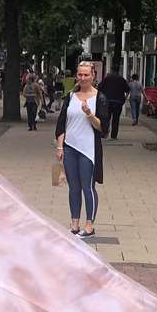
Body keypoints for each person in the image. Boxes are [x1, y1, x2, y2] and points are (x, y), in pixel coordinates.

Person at [54, 60, 110, 238]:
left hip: (89, 149)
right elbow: (62, 124)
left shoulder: (99, 97)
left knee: (88, 186)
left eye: (86, 74)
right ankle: (74, 223)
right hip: (70, 147)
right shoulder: (70, 97)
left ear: (93, 76)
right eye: (80, 74)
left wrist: (89, 114)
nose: (83, 78)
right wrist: (60, 146)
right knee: (73, 187)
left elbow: (103, 128)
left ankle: (89, 225)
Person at [98, 68, 130, 139]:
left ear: (111, 71)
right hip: (118, 101)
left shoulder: (107, 78)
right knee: (116, 119)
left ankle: (104, 133)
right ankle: (113, 136)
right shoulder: (121, 79)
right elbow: (127, 89)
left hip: (107, 101)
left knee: (106, 118)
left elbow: (99, 87)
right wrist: (124, 98)